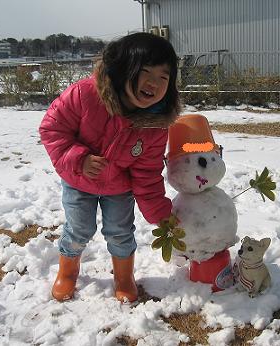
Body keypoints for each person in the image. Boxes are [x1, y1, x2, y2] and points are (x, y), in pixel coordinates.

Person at [39, 32, 181, 303]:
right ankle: (68, 271)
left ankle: (124, 276)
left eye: (164, 77)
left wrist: (161, 213)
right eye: (146, 71)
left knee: (120, 231)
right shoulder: (84, 94)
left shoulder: (154, 125)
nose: (154, 82)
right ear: (122, 70)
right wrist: (79, 159)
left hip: (118, 187)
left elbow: (147, 175)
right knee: (79, 228)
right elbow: (52, 129)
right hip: (78, 180)